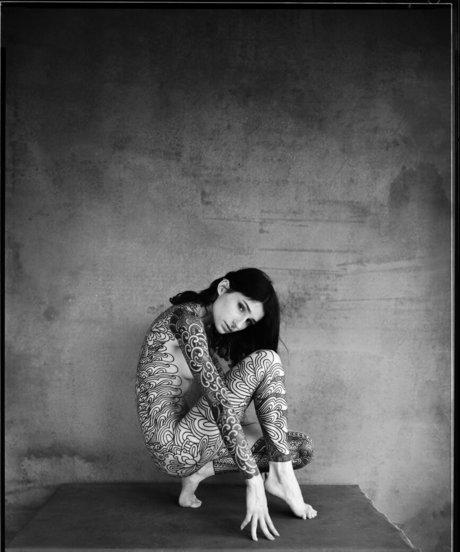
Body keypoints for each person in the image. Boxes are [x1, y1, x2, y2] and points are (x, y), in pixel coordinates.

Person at [135, 268, 316, 542]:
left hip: (192, 445)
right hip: (173, 447)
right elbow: (219, 403)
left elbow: (226, 404)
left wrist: (260, 438)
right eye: (241, 307)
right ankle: (280, 477)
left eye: (248, 321)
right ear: (223, 288)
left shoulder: (203, 332)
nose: (239, 323)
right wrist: (253, 481)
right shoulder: (185, 321)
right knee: (267, 360)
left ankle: (200, 473)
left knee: (300, 449)